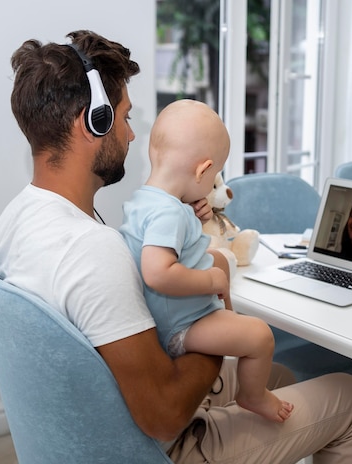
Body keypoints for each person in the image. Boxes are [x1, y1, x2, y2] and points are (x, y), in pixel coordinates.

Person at [0, 30, 352, 463]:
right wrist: (212, 309)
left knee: (280, 376)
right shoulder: (90, 252)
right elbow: (166, 415)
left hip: (87, 425)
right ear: (94, 121)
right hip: (160, 447)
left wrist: (187, 243)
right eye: (125, 117)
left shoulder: (17, 219)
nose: (132, 136)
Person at [120, 99, 293, 423]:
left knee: (221, 268)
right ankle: (252, 395)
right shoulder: (169, 212)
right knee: (260, 336)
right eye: (213, 174)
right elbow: (157, 273)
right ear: (202, 170)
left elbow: (173, 246)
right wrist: (211, 281)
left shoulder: (146, 199)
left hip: (175, 315)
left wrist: (191, 213)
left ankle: (229, 326)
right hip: (182, 326)